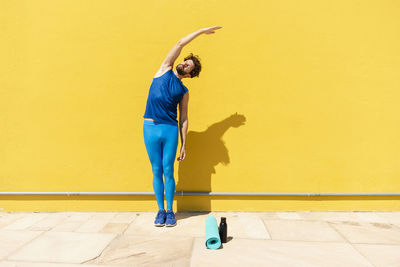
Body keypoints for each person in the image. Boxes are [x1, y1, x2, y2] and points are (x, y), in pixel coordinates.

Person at [143, 26, 222, 227]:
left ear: (189, 74)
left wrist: (184, 144)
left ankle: (170, 212)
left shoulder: (184, 91)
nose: (184, 64)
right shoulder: (164, 69)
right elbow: (179, 43)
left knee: (168, 170)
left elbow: (184, 117)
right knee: (156, 169)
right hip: (150, 126)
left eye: (188, 66)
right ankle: (160, 211)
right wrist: (202, 31)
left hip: (169, 130)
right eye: (185, 61)